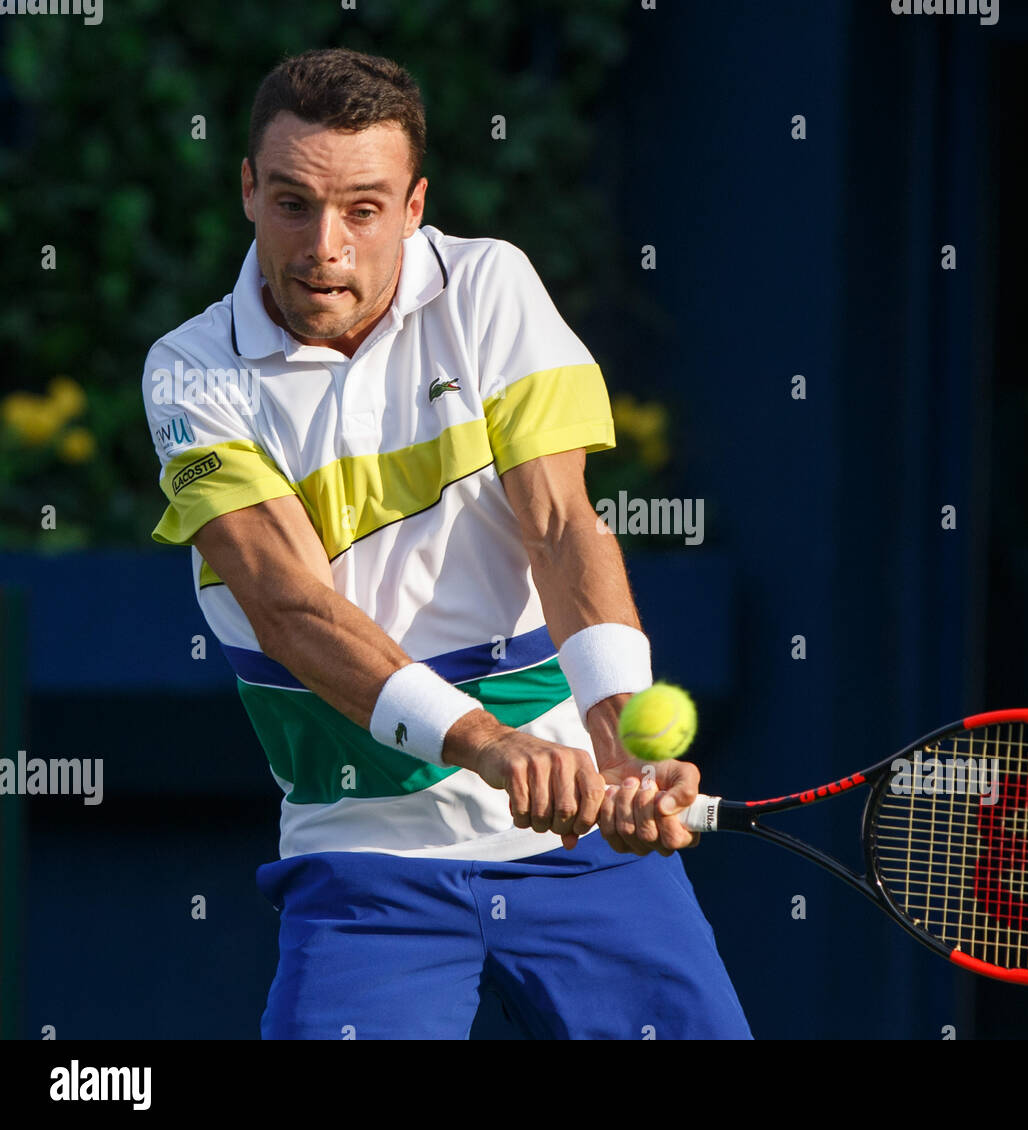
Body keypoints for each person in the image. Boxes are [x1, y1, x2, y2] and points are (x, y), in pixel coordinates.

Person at [140, 47, 750, 1040]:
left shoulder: (490, 285)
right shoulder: (191, 371)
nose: (324, 247)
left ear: (415, 205)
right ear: (247, 189)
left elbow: (560, 524)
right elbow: (291, 608)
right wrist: (490, 746)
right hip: (361, 849)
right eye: (292, 202)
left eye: (364, 209)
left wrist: (619, 736)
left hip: (578, 843)